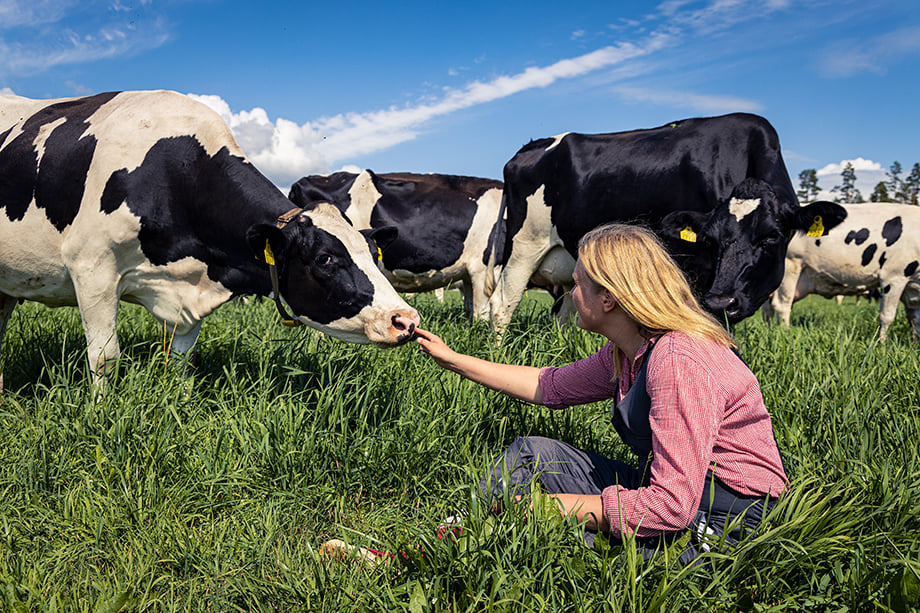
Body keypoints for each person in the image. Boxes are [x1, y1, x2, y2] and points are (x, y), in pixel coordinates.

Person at [414, 222, 788, 563]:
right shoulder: (629, 350)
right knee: (531, 454)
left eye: (578, 284)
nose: (570, 293)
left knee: (558, 540)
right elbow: (550, 385)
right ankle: (450, 540)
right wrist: (454, 360)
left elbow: (673, 505)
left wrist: (557, 507)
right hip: (682, 495)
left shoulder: (678, 360)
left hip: (728, 524)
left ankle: (446, 558)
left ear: (608, 298)